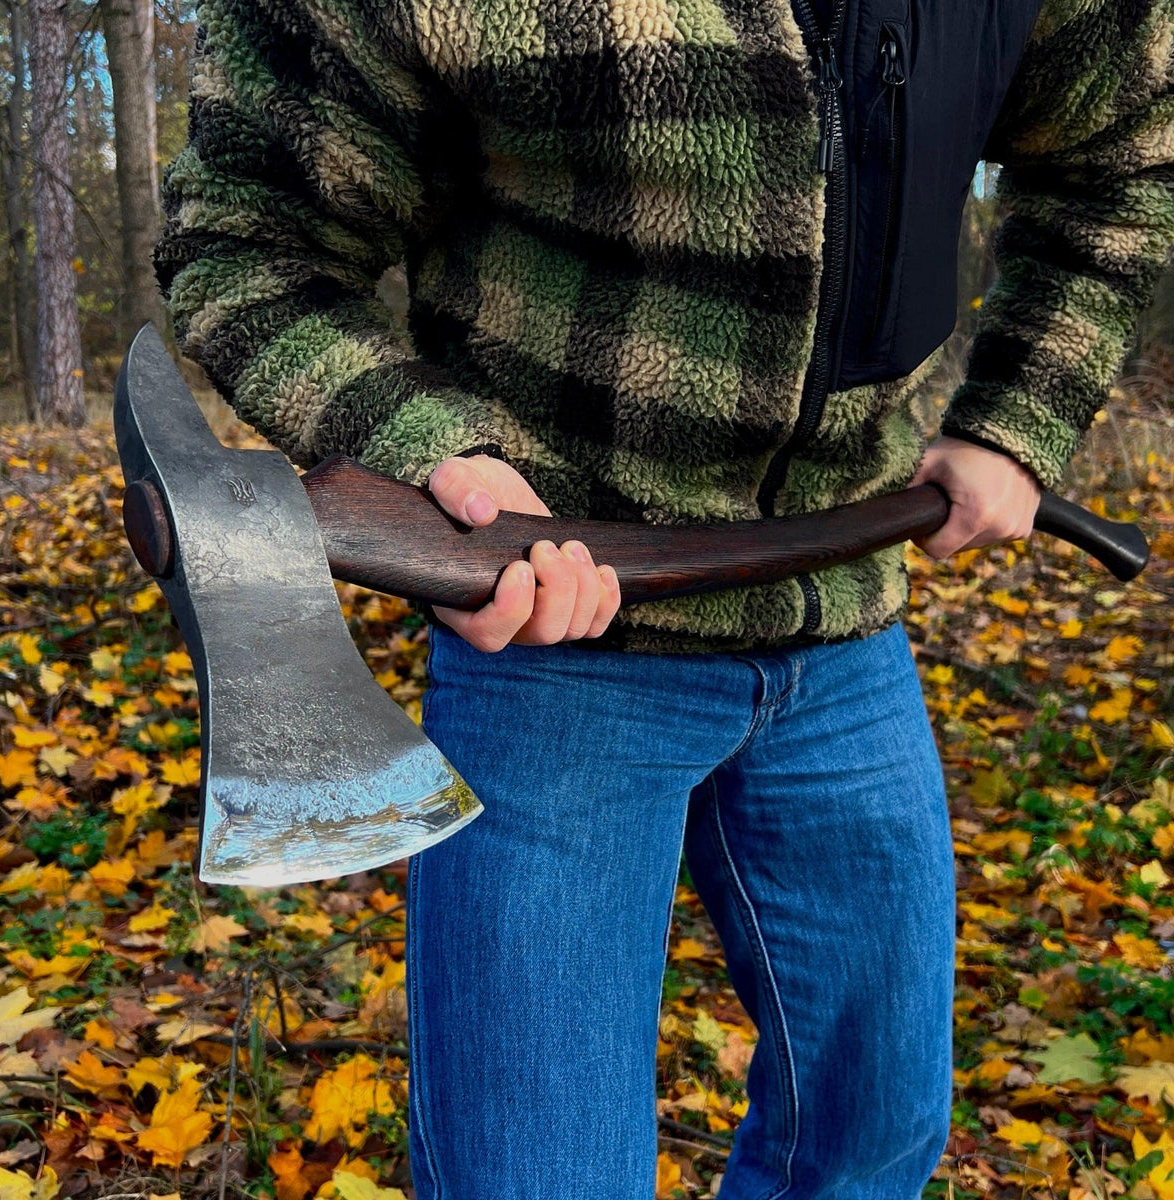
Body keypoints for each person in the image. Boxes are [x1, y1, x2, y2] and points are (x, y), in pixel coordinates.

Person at [154, 0, 1174, 1195]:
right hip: (557, 645)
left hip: (840, 621)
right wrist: (433, 456)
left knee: (872, 1141)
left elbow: (1124, 157)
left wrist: (1017, 419)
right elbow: (245, 238)